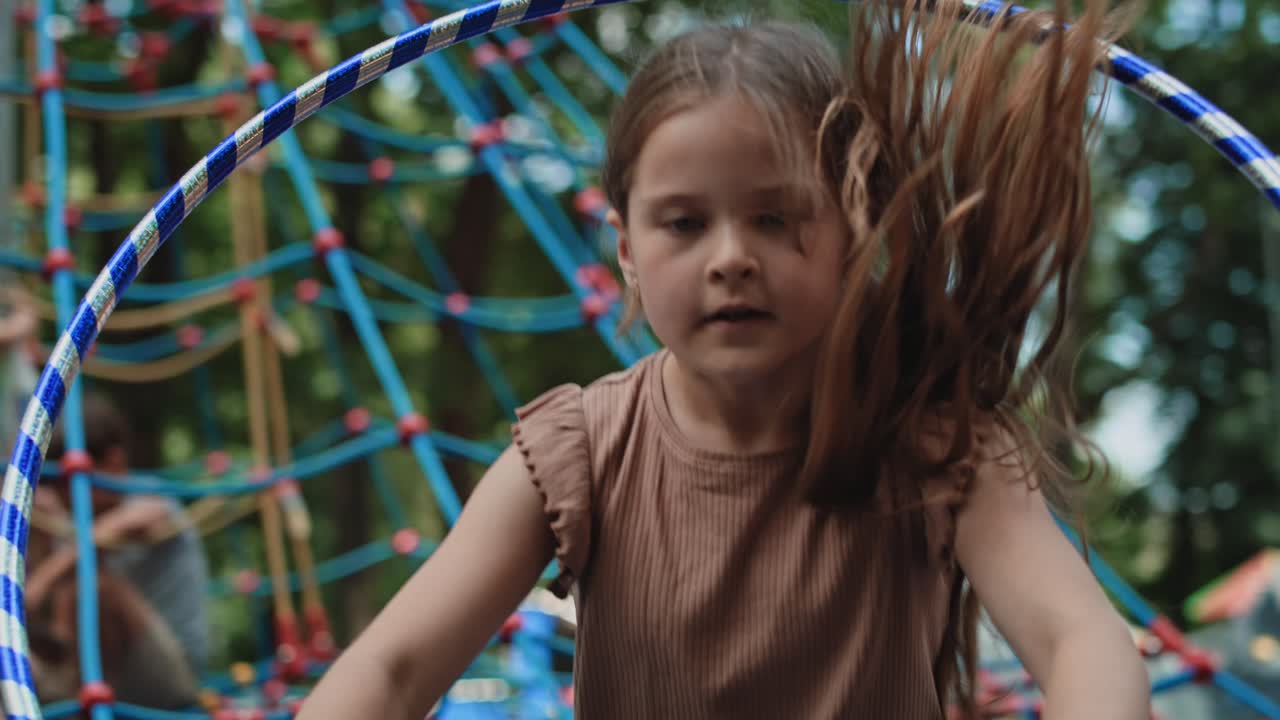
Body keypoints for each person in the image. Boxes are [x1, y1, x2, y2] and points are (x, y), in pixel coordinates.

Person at [299, 1, 1149, 717]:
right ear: (624, 249)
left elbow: (1080, 641)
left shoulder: (935, 444)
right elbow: (393, 670)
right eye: (683, 222)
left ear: (856, 231)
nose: (731, 257)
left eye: (777, 218)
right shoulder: (578, 453)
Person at [27, 393, 209, 708]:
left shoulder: (150, 499)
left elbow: (131, 524)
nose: (62, 496)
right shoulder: (70, 522)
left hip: (169, 677)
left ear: (113, 463)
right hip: (94, 677)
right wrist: (43, 537)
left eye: (65, 484)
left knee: (94, 588)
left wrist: (42, 580)